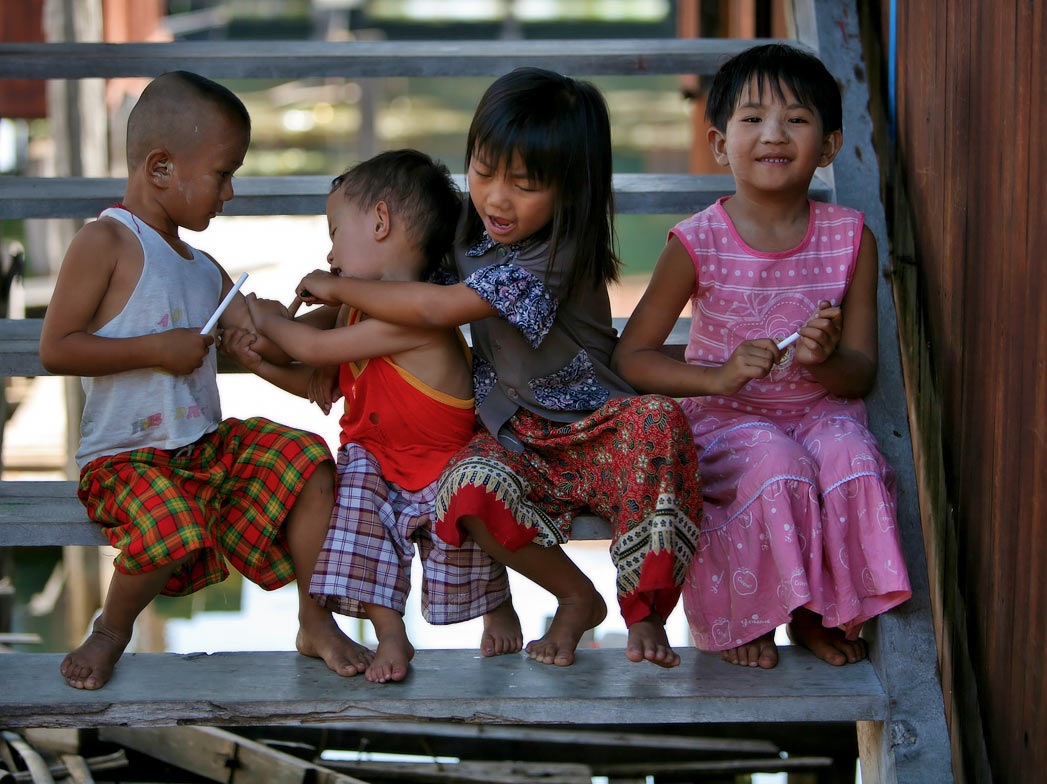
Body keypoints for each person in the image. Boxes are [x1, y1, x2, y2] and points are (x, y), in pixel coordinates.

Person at [291, 67, 702, 669]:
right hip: (512, 436)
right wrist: (328, 333)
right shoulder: (467, 229)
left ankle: (646, 615)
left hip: (595, 430)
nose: (496, 199)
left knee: (660, 424)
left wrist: (335, 285)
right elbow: (401, 281)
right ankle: (574, 596)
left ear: (570, 189)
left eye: (526, 184)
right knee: (465, 485)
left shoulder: (552, 255)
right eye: (483, 172)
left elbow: (435, 307)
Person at [39, 71, 373, 690]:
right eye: (222, 174)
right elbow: (56, 348)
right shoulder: (105, 240)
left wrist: (337, 313)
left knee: (306, 458)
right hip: (126, 456)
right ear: (160, 167)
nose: (230, 192)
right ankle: (112, 628)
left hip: (202, 447)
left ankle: (312, 616)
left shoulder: (204, 268)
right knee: (171, 528)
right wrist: (156, 349)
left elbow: (263, 322)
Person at [612, 43, 912, 670]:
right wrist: (717, 377)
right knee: (778, 463)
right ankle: (746, 616)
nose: (773, 135)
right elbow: (633, 358)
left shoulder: (851, 237)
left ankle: (815, 613)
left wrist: (823, 360)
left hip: (820, 412)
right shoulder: (698, 242)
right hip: (728, 422)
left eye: (796, 120)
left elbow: (861, 371)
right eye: (752, 119)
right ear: (720, 143)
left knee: (850, 456)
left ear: (829, 146)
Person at [223, 149, 522, 683]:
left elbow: (311, 349)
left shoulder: (420, 313)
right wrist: (258, 362)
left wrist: (264, 316)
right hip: (376, 457)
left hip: (441, 459)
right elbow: (317, 378)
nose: (330, 250)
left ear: (380, 222)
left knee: (465, 528)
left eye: (336, 232)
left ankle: (496, 602)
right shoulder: (356, 311)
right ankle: (391, 635)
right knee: (359, 513)